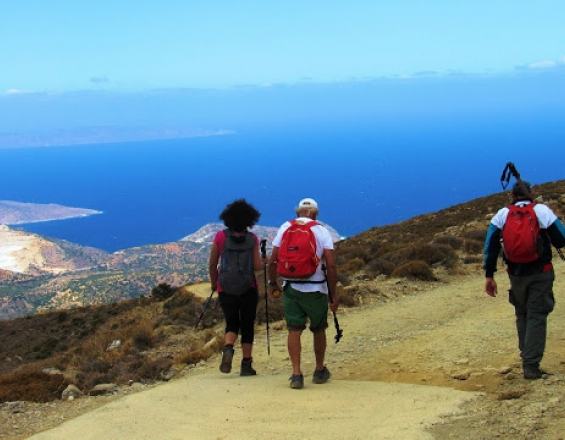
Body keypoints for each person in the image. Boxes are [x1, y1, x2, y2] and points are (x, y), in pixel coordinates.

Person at [483, 182, 565, 379]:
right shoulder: (541, 210)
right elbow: (561, 238)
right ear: (532, 193)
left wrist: (489, 275)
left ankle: (526, 355)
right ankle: (531, 365)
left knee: (522, 313)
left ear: (512, 195)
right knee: (537, 314)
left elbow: (490, 246)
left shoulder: (502, 214)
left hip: (515, 273)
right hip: (541, 272)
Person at [268, 198, 338, 389]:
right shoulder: (321, 230)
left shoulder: (285, 227)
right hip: (316, 289)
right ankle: (319, 369)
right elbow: (330, 264)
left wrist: (272, 283)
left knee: (294, 330)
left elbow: (272, 260)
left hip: (291, 288)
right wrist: (333, 294)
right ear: (315, 213)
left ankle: (296, 374)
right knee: (318, 329)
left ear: (298, 212)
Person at [209, 199, 263, 376]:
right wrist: (267, 261)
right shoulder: (252, 239)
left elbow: (212, 263)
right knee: (247, 325)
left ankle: (228, 348)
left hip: (226, 288)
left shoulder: (220, 237)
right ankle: (246, 365)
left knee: (232, 323)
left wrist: (214, 283)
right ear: (250, 219)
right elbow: (256, 266)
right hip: (248, 288)